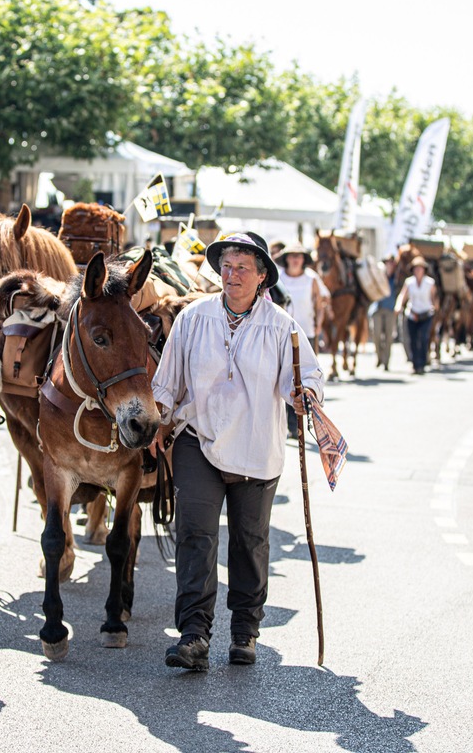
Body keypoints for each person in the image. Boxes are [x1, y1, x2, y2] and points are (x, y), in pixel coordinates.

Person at [149, 231, 323, 671]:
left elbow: (307, 379)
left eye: (242, 267)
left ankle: (245, 631)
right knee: (196, 535)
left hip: (256, 446)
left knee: (249, 542)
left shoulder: (283, 327)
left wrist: (305, 395)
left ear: (262, 276)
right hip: (198, 440)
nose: (231, 275)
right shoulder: (193, 318)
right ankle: (193, 635)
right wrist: (160, 413)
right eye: (226, 266)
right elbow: (168, 380)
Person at [273, 241, 326, 438]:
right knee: (285, 377)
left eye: (299, 256)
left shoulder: (312, 279)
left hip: (307, 332)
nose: (295, 259)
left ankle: (302, 419)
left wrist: (318, 325)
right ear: (286, 259)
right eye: (291, 256)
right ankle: (289, 423)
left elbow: (319, 304)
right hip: (283, 334)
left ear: (304, 260)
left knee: (303, 378)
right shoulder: (278, 278)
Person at [395, 256, 437, 375]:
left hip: (426, 314)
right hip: (413, 314)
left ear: (424, 270)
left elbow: (434, 298)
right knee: (412, 340)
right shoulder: (409, 282)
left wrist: (435, 306)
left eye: (420, 268)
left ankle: (422, 363)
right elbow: (403, 295)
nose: (418, 271)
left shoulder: (430, 282)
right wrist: (398, 306)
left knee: (423, 338)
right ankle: (415, 363)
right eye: (416, 268)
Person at [370, 257, 400, 371]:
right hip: (377, 308)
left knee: (388, 336)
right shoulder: (378, 277)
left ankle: (386, 361)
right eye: (387, 264)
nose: (389, 266)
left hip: (390, 309)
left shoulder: (396, 279)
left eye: (391, 264)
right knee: (376, 334)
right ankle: (379, 357)